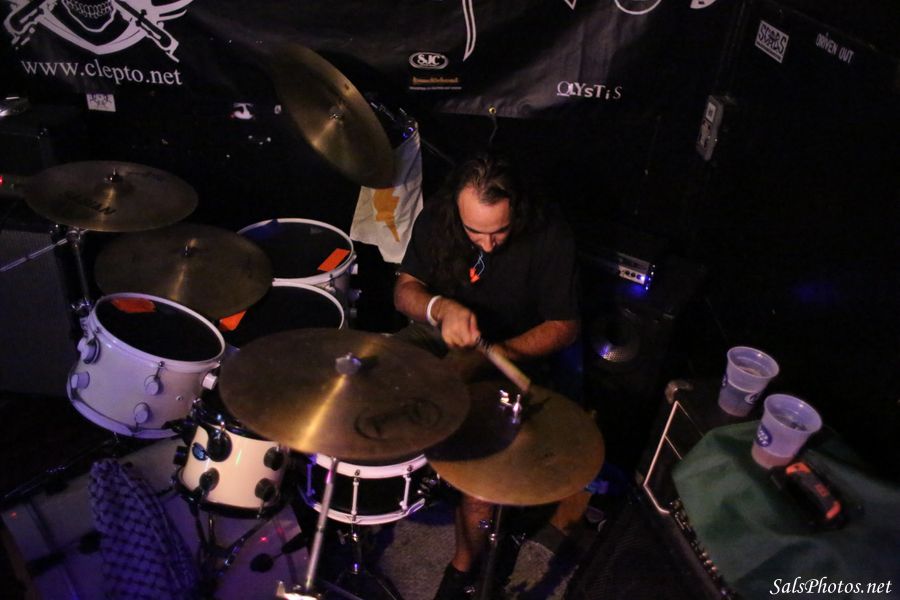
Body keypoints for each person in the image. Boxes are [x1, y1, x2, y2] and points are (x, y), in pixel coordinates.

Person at [393, 152, 581, 599]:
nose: (488, 244)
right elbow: (404, 291)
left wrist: (497, 353)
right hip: (441, 334)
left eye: (499, 231)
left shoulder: (550, 234)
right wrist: (441, 308)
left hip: (510, 348)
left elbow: (565, 326)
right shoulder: (439, 217)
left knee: (484, 474)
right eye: (475, 232)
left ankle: (462, 570)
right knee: (372, 379)